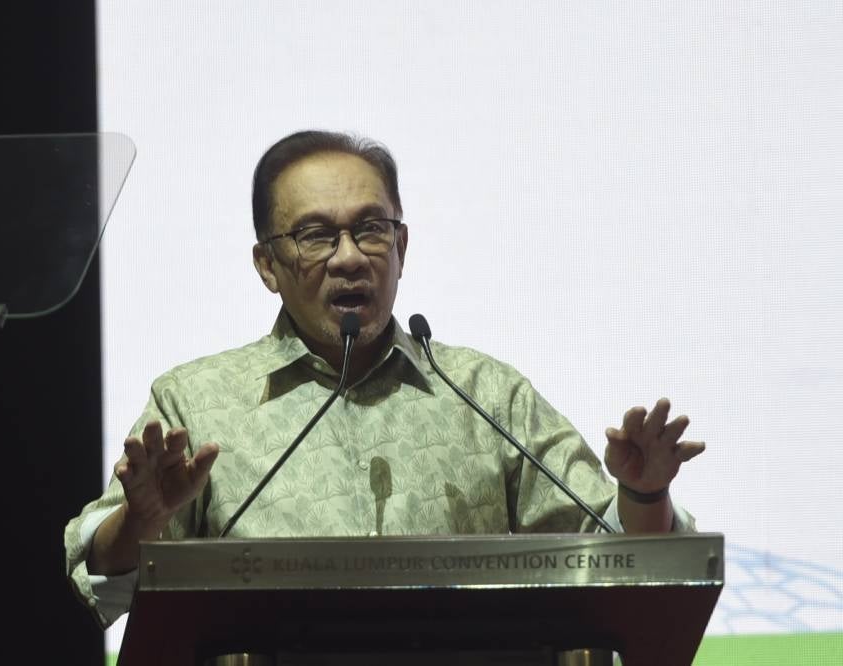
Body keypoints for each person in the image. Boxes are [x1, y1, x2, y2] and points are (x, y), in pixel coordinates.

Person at [64, 130, 705, 628]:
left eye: (371, 229)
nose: (350, 257)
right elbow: (104, 583)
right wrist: (140, 523)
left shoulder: (486, 395)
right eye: (315, 235)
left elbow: (616, 562)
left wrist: (644, 496)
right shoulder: (196, 401)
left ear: (402, 246)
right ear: (267, 264)